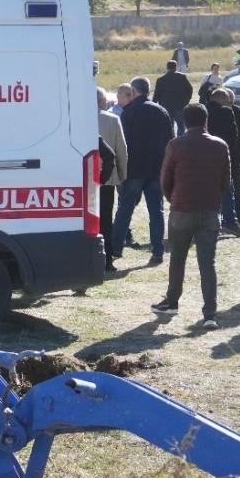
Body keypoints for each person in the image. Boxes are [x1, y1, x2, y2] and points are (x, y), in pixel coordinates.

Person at [152, 103, 230, 329]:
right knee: (207, 263)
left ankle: (172, 301)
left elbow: (165, 178)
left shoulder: (176, 145)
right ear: (206, 121)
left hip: (181, 209)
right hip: (209, 209)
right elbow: (226, 180)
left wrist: (173, 198)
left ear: (184, 122)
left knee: (177, 258)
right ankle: (210, 314)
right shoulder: (220, 145)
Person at [114, 77, 173, 266]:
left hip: (134, 169)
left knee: (125, 209)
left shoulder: (129, 112)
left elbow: (123, 145)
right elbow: (170, 140)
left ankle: (115, 248)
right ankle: (158, 250)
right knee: (156, 210)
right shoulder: (161, 111)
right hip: (156, 169)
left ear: (133, 91)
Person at [204, 88, 240, 235]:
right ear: (223, 98)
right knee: (231, 189)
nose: (230, 103)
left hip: (205, 157)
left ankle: (212, 222)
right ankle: (232, 221)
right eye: (228, 100)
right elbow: (235, 135)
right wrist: (233, 148)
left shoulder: (203, 110)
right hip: (228, 156)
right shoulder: (227, 112)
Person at [97, 87, 129, 272]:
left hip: (83, 180)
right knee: (105, 221)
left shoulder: (75, 118)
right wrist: (122, 175)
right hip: (107, 179)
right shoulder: (112, 120)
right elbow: (121, 151)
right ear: (102, 102)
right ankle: (107, 259)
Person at [154, 60, 194, 137]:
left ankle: (171, 140)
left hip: (166, 106)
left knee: (169, 125)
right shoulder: (182, 77)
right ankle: (180, 140)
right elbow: (190, 89)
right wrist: (187, 100)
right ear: (176, 67)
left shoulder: (161, 80)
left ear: (167, 68)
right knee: (181, 125)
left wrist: (154, 103)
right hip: (180, 105)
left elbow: (157, 94)